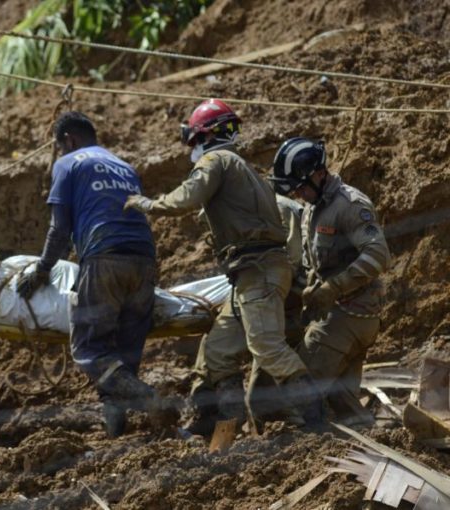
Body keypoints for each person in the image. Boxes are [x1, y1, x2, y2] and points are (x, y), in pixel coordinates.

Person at [124, 99, 323, 432]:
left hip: (258, 272)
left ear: (204, 136)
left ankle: (315, 415)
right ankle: (224, 427)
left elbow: (186, 198)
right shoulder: (246, 171)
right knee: (217, 352)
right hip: (249, 275)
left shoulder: (216, 160)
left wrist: (146, 204)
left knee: (266, 345)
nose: (192, 149)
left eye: (193, 141)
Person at [16, 111, 176, 438]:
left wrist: (41, 270)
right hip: (144, 260)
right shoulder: (124, 166)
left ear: (68, 140)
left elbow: (59, 229)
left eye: (58, 147)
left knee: (91, 350)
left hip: (104, 257)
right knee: (124, 356)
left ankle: (150, 399)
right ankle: (115, 433)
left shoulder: (69, 163)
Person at [271, 137, 391, 426]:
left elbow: (378, 256)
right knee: (343, 405)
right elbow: (320, 262)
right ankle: (369, 453)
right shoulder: (313, 208)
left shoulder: (349, 205)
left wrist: (333, 288)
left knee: (297, 399)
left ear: (318, 173)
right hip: (341, 313)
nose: (298, 194)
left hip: (349, 313)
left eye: (300, 186)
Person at [187, 193, 308, 434]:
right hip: (246, 288)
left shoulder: (276, 208)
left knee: (266, 363)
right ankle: (225, 420)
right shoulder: (221, 213)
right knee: (215, 350)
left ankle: (312, 415)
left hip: (280, 295)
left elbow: (295, 262)